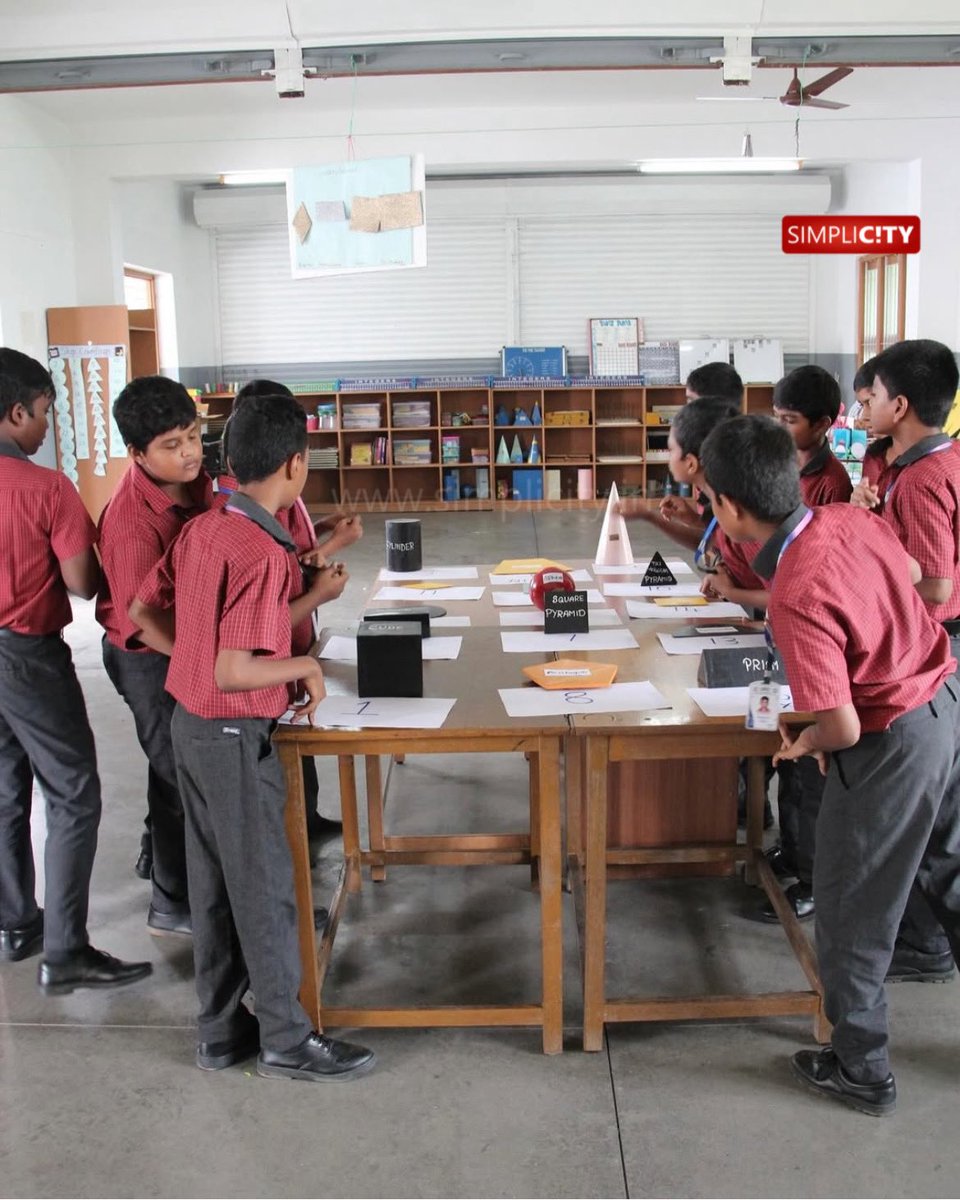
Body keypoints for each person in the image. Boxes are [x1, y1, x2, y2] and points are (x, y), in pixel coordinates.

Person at [700, 413, 960, 1118]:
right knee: (951, 873)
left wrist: (802, 742)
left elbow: (840, 725)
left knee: (852, 909)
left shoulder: (792, 592)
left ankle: (861, 1068)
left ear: (727, 506)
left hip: (890, 747)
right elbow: (910, 574)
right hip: (944, 705)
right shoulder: (848, 516)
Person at [130, 393, 375, 1080]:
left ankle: (218, 1030)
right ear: (296, 466)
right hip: (236, 735)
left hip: (191, 726)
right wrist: (306, 667)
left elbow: (141, 608)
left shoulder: (207, 528)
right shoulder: (263, 552)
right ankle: (287, 1038)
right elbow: (237, 667)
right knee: (266, 887)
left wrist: (196, 664)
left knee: (212, 884)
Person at [0, 348, 152, 993]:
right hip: (27, 657)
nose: (46, 426)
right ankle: (65, 952)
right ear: (16, 413)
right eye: (43, 413)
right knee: (72, 794)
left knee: (6, 788)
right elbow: (84, 583)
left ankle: (14, 922)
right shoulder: (46, 488)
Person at [850, 338, 960, 984]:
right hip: (935, 651)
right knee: (935, 821)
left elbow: (937, 590)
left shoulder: (920, 480)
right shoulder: (912, 463)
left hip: (936, 653)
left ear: (902, 403)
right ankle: (925, 943)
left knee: (931, 824)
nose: (861, 410)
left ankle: (930, 943)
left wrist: (872, 564)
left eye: (870, 398)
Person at [218, 379, 363, 856]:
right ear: (292, 461)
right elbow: (245, 645)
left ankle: (306, 820)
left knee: (299, 727)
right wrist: (328, 563)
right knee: (271, 780)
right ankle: (292, 839)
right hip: (257, 677)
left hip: (284, 645)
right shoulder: (251, 538)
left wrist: (322, 534)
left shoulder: (237, 517)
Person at [97, 375, 212, 933]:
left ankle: (164, 863)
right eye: (172, 445)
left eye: (192, 435)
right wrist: (205, 664)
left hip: (186, 639)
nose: (189, 451)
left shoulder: (195, 481)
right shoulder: (130, 525)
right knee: (175, 772)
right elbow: (143, 623)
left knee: (178, 766)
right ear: (138, 454)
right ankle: (172, 903)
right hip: (147, 654)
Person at [772, 366, 852, 506]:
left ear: (821, 425)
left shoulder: (834, 484)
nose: (778, 426)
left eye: (789, 420)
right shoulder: (772, 460)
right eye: (776, 416)